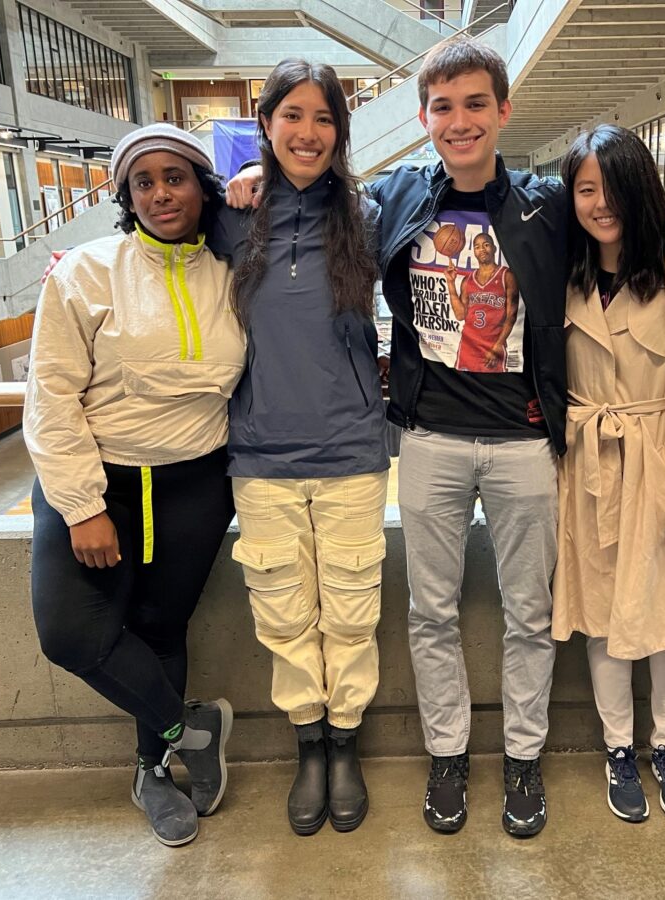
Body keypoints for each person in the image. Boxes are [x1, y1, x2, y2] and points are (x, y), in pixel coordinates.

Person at [228, 36, 665, 838]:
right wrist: (251, 177)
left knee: (529, 614)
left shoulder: (544, 203)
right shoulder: (393, 199)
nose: (459, 122)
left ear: (502, 112)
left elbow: (619, 207)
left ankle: (522, 760)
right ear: (423, 118)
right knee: (431, 612)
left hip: (525, 443)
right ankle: (446, 756)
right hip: (426, 440)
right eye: (443, 107)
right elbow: (309, 196)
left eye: (475, 105)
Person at [25, 123, 245, 847]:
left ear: (202, 187)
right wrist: (83, 506)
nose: (159, 193)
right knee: (72, 635)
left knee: (161, 628)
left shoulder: (230, 271)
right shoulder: (84, 271)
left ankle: (152, 770)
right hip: (100, 484)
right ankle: (192, 730)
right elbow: (50, 396)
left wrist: (260, 187)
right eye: (142, 182)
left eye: (174, 177)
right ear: (124, 196)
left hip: (194, 483)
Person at [208, 59, 387, 836]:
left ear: (340, 132)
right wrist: (240, 177)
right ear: (267, 124)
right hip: (260, 455)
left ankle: (344, 743)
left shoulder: (369, 213)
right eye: (292, 117)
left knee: (351, 611)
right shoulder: (229, 217)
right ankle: (307, 744)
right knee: (282, 615)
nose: (307, 133)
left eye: (323, 118)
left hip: (350, 451)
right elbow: (142, 216)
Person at [552, 125, 665, 824]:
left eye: (613, 188)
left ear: (640, 190)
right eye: (586, 188)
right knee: (602, 617)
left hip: (659, 460)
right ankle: (618, 749)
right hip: (586, 464)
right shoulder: (561, 268)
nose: (600, 204)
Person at [443, 231, 519, 372]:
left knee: (495, 387)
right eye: (477, 247)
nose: (482, 249)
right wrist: (451, 283)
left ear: (494, 248)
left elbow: (511, 316)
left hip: (493, 348)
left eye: (486, 245)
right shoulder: (467, 281)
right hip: (468, 349)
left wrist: (498, 346)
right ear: (474, 252)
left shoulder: (507, 276)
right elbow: (460, 315)